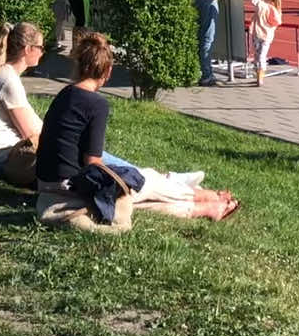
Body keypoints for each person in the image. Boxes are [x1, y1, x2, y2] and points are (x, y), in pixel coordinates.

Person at [35, 32, 240, 230]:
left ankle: (203, 207)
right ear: (108, 71)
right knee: (145, 181)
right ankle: (205, 197)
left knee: (136, 198)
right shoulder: (96, 104)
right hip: (72, 186)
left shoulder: (64, 94)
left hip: (47, 184)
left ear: (78, 65)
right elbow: (93, 162)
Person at [0, 22, 46, 188]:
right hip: (4, 161)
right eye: (40, 47)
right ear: (28, 49)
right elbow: (30, 135)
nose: (42, 52)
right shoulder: (8, 80)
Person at [246, 0, 282, 87]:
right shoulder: (275, 9)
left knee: (258, 56)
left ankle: (259, 76)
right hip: (267, 36)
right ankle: (259, 76)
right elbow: (277, 22)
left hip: (258, 34)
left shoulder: (261, 5)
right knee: (261, 55)